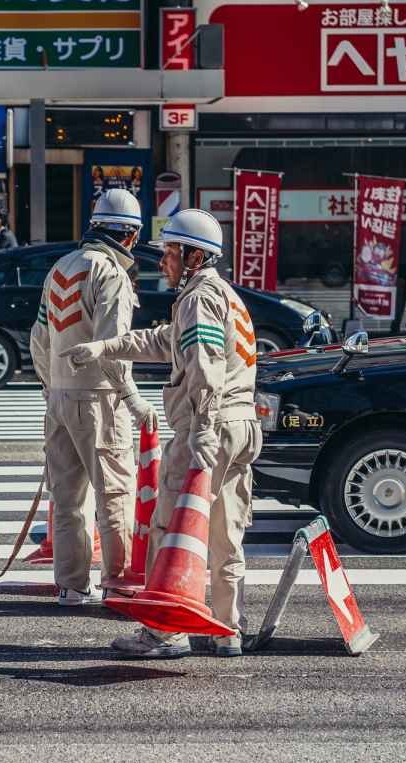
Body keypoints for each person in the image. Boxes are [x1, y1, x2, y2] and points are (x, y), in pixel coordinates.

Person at [61, 208, 263, 659]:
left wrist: (202, 428)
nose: (163, 261)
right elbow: (162, 341)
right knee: (224, 533)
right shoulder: (220, 294)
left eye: (171, 252)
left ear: (194, 255)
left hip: (209, 424)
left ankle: (164, 633)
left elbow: (205, 366)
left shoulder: (198, 298)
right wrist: (104, 347)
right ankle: (227, 629)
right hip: (242, 423)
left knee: (168, 528)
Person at [28, 188, 154, 606]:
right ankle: (117, 582)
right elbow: (112, 345)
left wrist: (52, 386)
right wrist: (132, 396)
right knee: (114, 493)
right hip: (100, 397)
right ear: (131, 236)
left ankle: (71, 585)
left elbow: (39, 338)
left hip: (59, 394)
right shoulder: (111, 273)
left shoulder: (61, 267)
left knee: (67, 498)